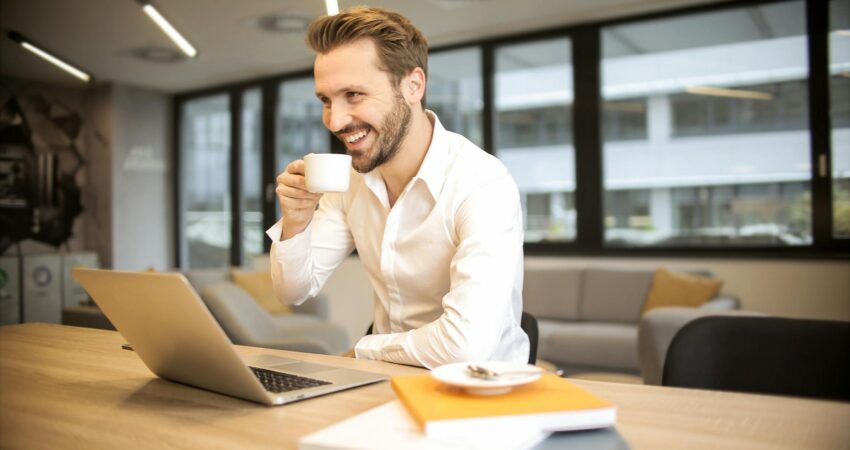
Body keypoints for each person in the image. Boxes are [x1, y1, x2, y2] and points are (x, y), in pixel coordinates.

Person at [267, 6, 528, 369]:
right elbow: (293, 291)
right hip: (386, 382)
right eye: (326, 100)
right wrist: (296, 222)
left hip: (478, 390)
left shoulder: (482, 183)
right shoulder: (352, 183)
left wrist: (365, 349)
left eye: (354, 95)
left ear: (413, 85)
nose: (335, 120)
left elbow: (465, 346)